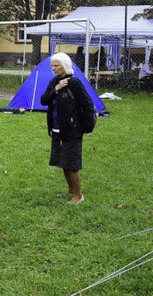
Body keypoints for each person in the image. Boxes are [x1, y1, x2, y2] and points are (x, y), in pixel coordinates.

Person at [40, 52, 94, 205]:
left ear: (65, 66)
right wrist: (56, 89)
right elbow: (43, 100)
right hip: (57, 129)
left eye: (56, 66)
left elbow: (88, 105)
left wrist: (87, 127)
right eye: (52, 66)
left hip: (72, 130)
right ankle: (70, 189)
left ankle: (78, 195)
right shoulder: (54, 82)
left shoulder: (75, 83)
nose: (53, 69)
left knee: (71, 163)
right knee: (63, 161)